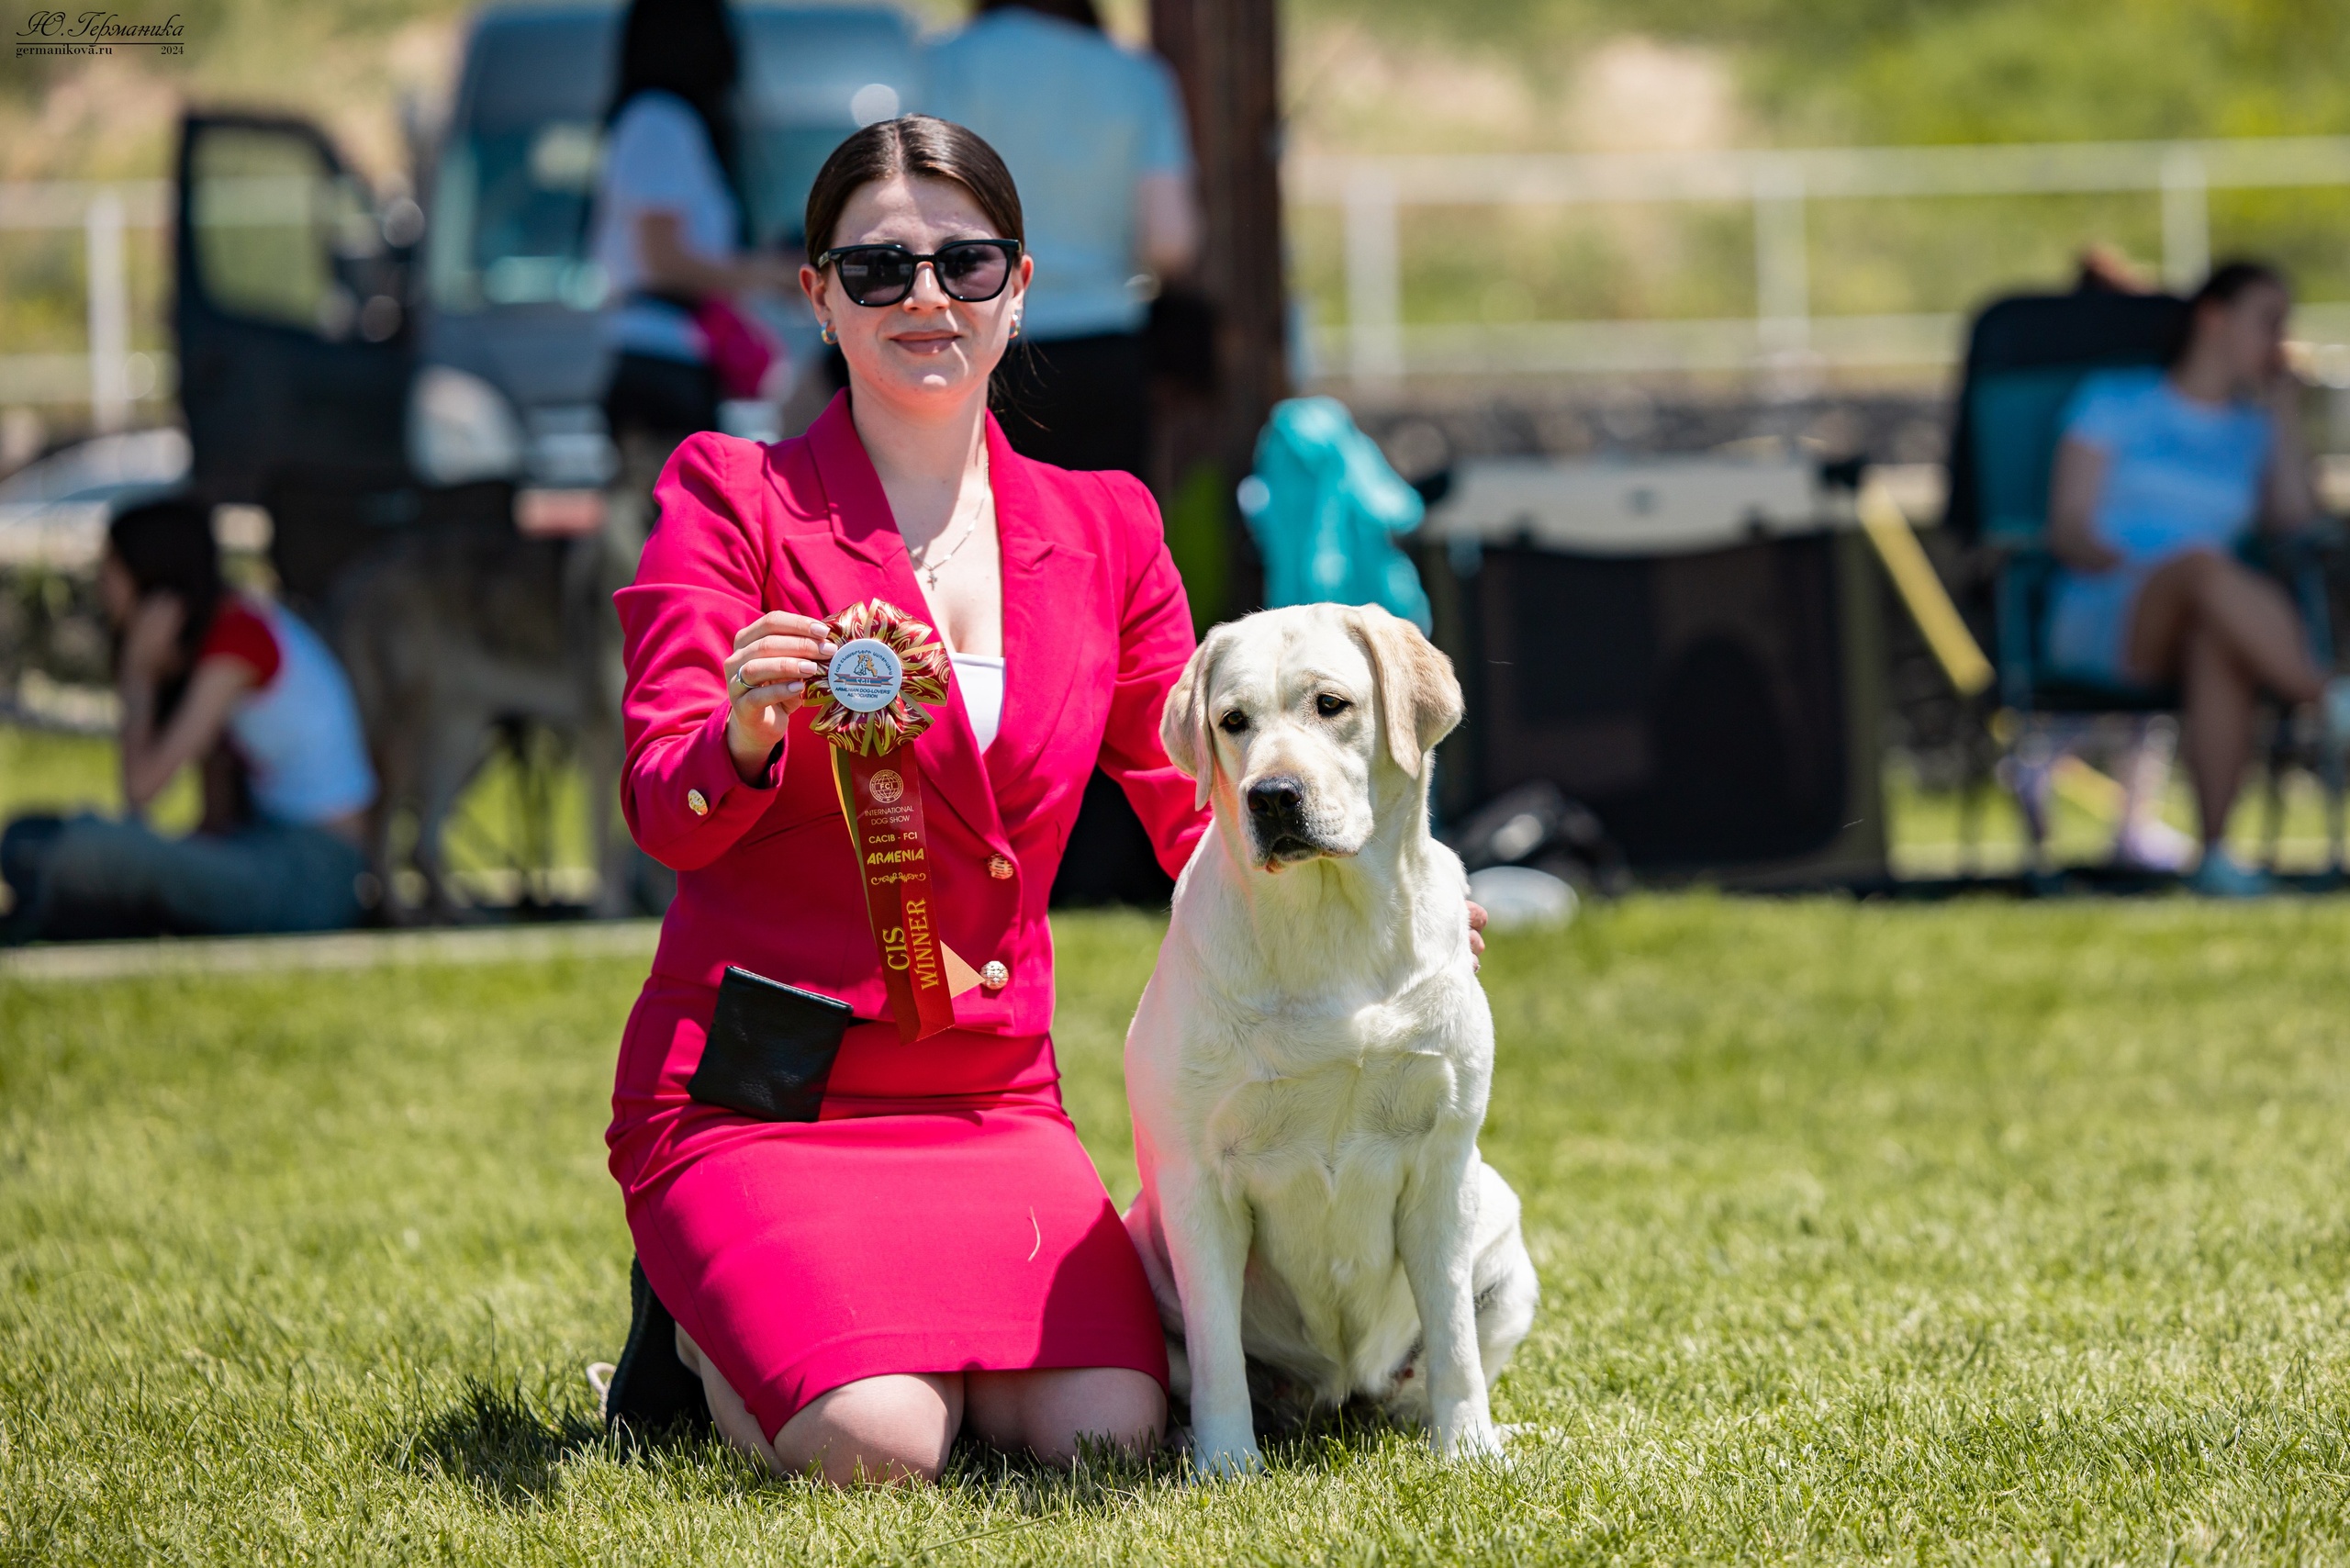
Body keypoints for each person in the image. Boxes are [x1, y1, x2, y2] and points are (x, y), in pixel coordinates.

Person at [2045, 259, 2345, 896]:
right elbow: (2068, 525)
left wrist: (2285, 415)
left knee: (2215, 630)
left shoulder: (2252, 427)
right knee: (2202, 566)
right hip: (2109, 605)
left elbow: (2295, 522)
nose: (2280, 342)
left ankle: (2214, 857)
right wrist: (2138, 563)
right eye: (2268, 322)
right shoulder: (2115, 400)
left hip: (2207, 610)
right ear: (2214, 318)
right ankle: (2329, 697)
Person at [0, 500, 375, 940]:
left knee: (89, 849)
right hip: (260, 846)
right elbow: (211, 815)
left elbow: (141, 791)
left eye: (112, 567)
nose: (102, 584)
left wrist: (137, 675)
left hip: (315, 875)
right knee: (30, 837)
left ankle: (84, 901)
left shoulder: (238, 640)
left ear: (152, 575)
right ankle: (95, 899)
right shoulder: (215, 637)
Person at [923, 0, 1200, 478]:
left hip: (979, 347)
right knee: (1107, 542)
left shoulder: (946, 62)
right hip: (1107, 348)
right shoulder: (1136, 74)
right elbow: (1172, 241)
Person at [591, 0, 792, 461]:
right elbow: (662, 260)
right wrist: (770, 274)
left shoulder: (656, 120)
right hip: (661, 364)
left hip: (671, 360)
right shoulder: (659, 120)